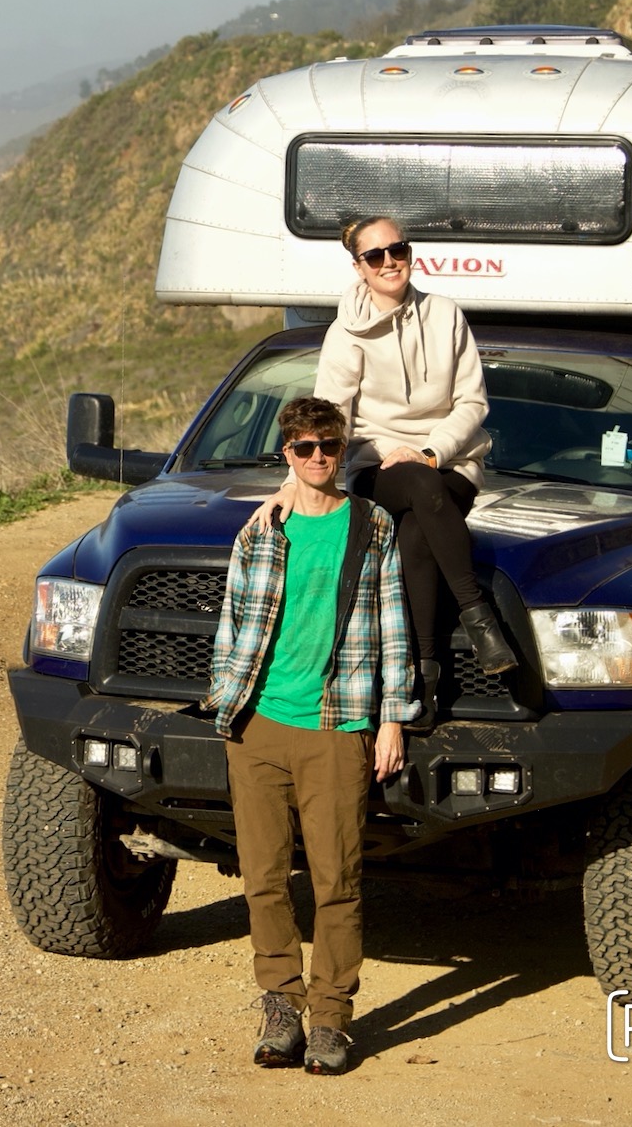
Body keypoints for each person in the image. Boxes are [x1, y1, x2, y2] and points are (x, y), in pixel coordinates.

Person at [206, 396, 419, 1076]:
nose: (318, 458)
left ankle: (329, 1018)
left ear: (342, 447)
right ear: (285, 455)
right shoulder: (259, 531)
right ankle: (279, 1003)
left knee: (336, 879)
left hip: (339, 724)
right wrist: (226, 705)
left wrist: (392, 718)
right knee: (264, 877)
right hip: (258, 722)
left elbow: (393, 627)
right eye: (303, 448)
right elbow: (232, 624)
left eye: (328, 445)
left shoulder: (372, 524)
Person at [255, 216, 517, 729]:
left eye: (397, 249)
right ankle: (476, 613)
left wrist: (430, 450)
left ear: (409, 252)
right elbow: (329, 415)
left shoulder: (445, 316)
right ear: (359, 268)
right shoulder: (344, 333)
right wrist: (293, 482)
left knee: (418, 534)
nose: (389, 261)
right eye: (375, 256)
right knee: (416, 486)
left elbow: (471, 402)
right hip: (380, 469)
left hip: (450, 463)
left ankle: (424, 682)